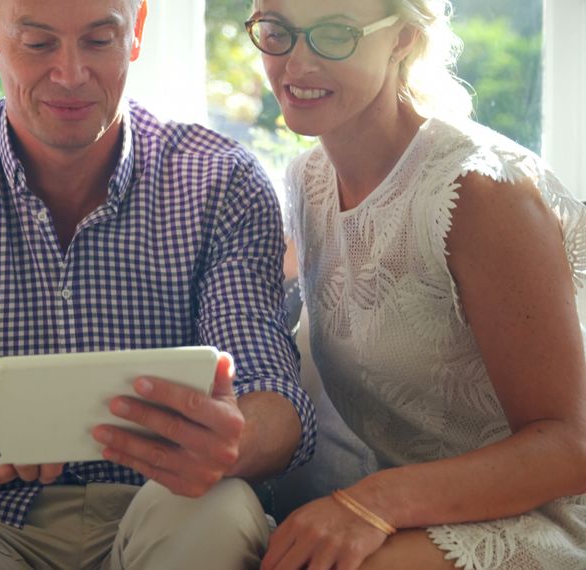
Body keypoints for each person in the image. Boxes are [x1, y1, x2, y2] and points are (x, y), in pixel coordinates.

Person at [0, 0, 316, 568]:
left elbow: (277, 398)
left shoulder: (222, 181)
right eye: (39, 43)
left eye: (98, 41)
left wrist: (231, 441)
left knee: (219, 508)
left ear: (137, 31)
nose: (70, 74)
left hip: (161, 505)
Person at [244, 0, 586, 568]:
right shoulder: (309, 178)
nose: (295, 64)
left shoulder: (478, 192)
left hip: (537, 516)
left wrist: (370, 504)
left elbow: (572, 446)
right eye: (277, 31)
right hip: (401, 509)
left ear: (402, 38)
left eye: (333, 34)